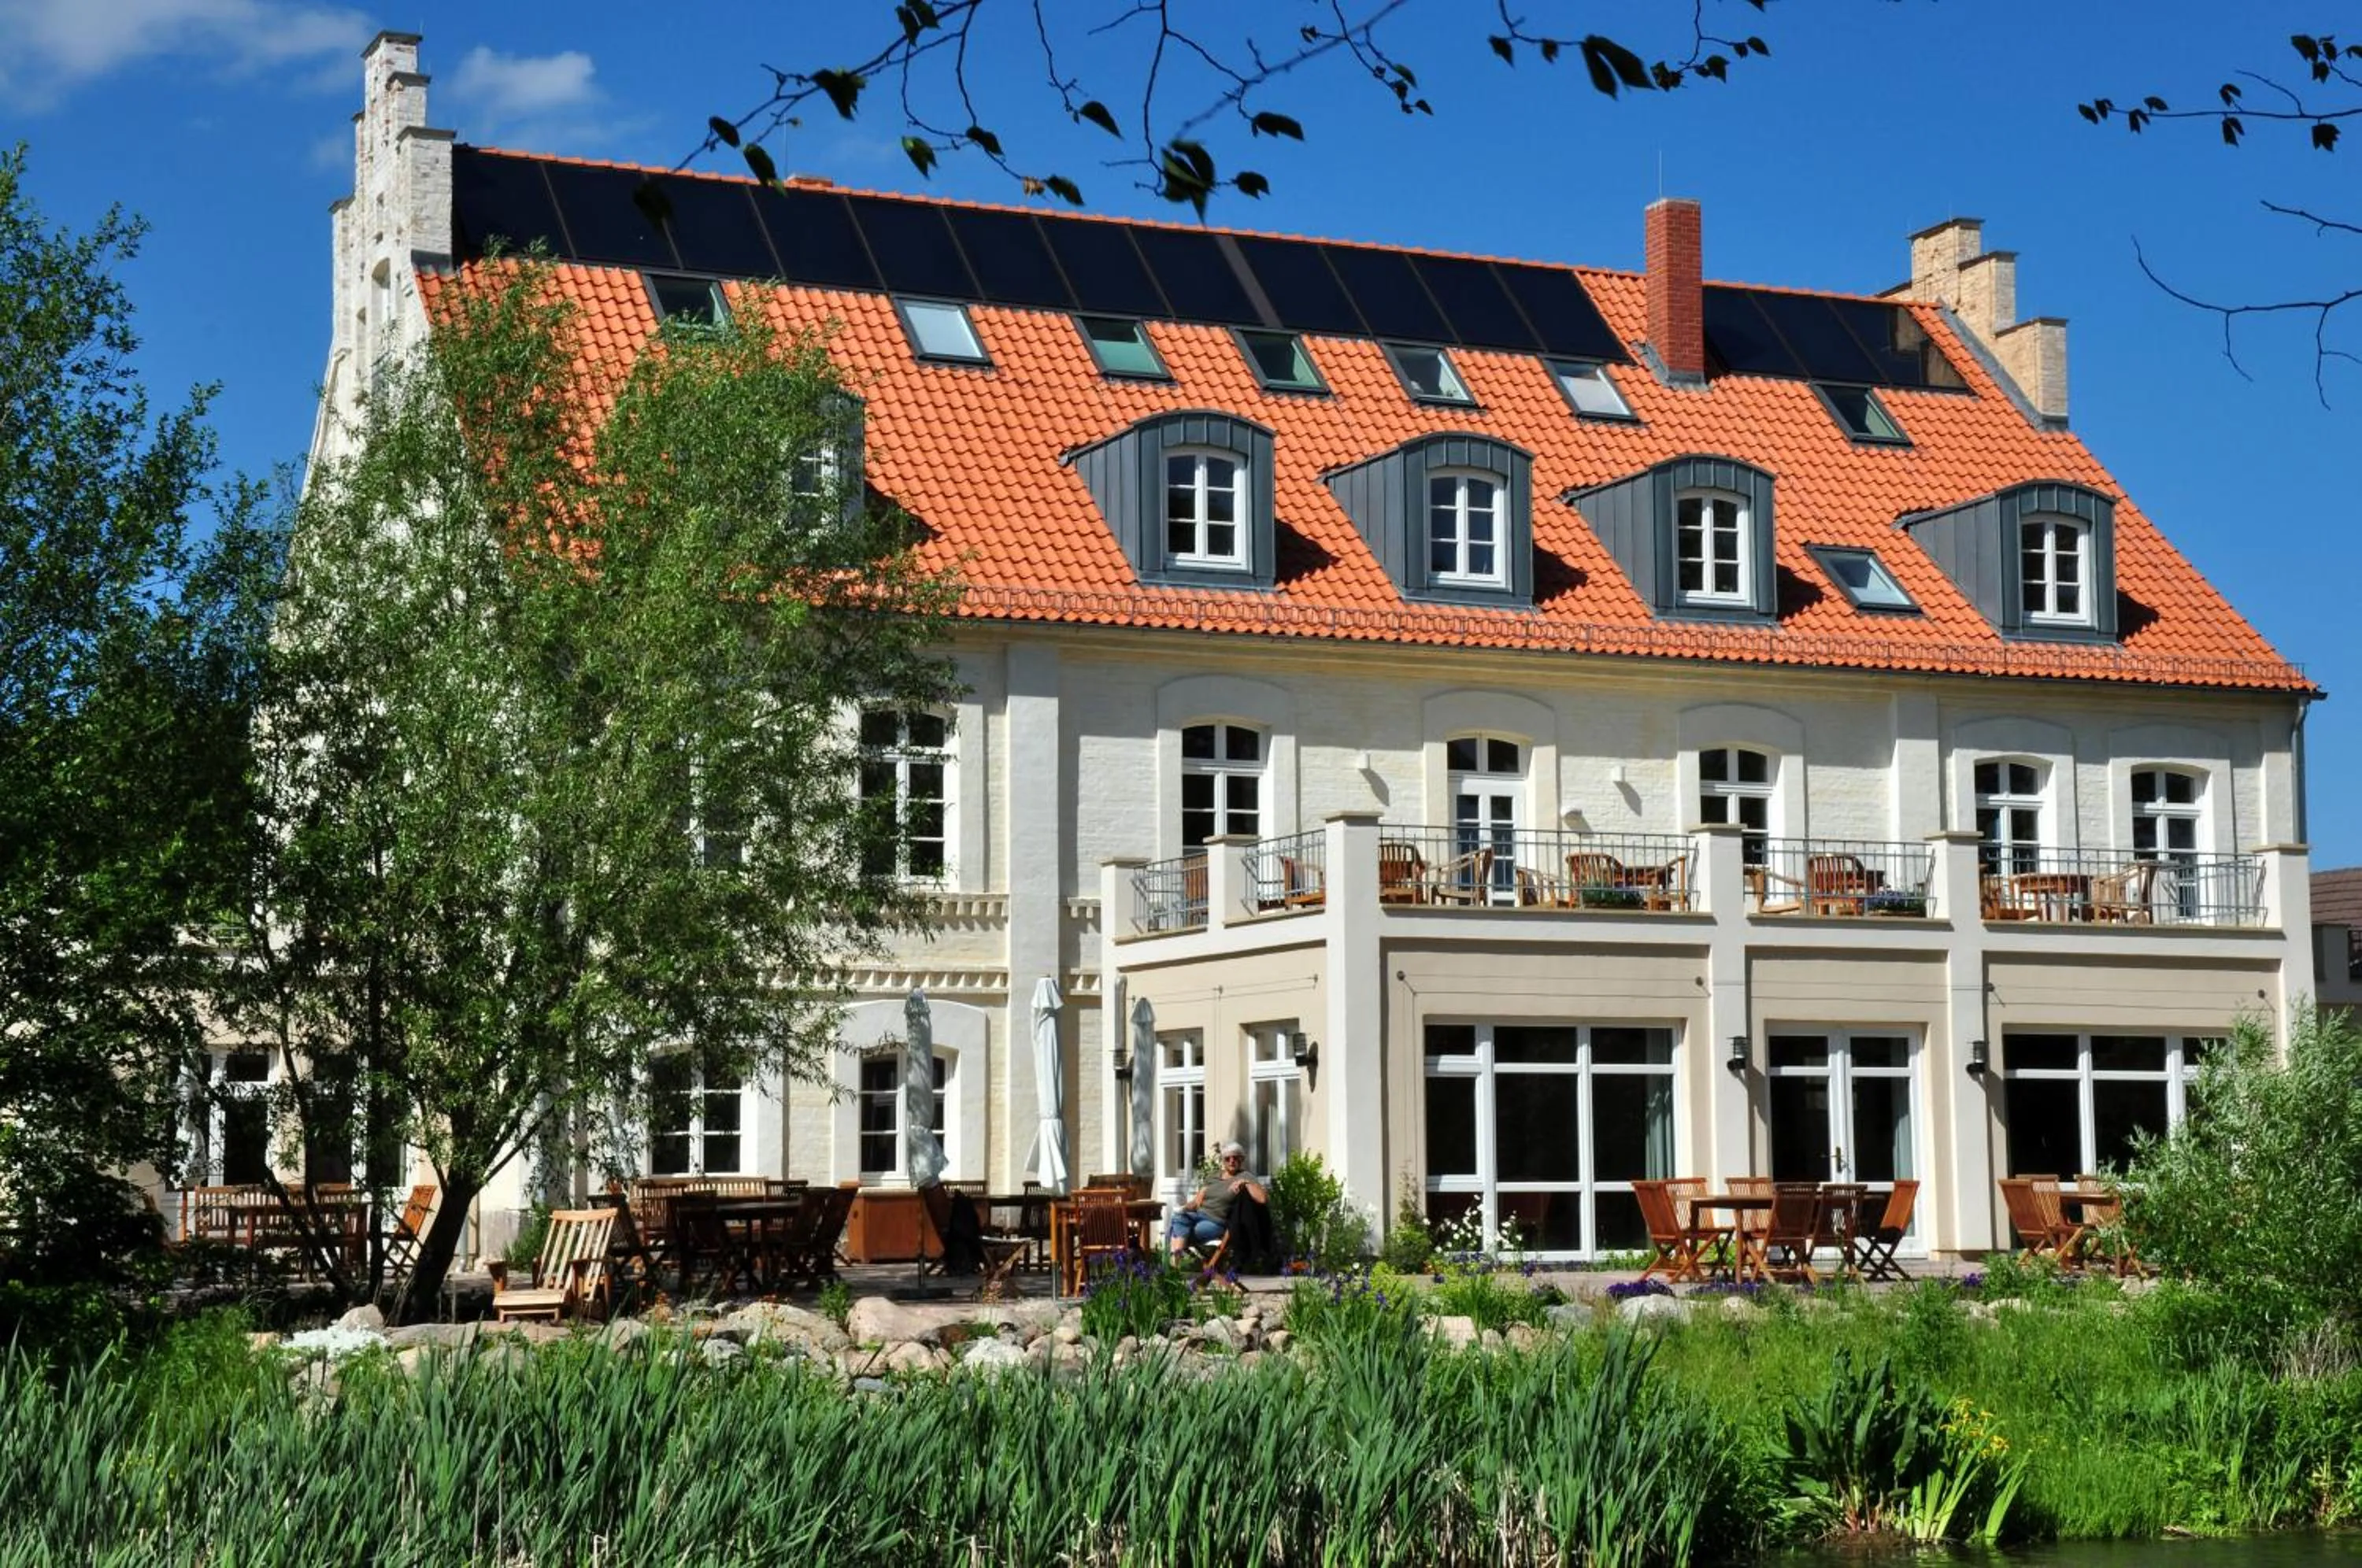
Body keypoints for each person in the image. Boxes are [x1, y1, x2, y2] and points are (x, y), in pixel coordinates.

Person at [1166, 1142, 1265, 1257]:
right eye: (1228, 1158)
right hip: (1198, 1215)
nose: (1232, 1161)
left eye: (1235, 1158)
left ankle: (1174, 1267)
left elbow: (1262, 1199)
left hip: (1216, 1222)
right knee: (1177, 1217)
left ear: (1241, 1159)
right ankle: (1176, 1262)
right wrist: (1183, 1208)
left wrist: (1246, 1183)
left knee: (1176, 1231)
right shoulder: (1213, 1177)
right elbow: (1196, 1203)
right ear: (1223, 1161)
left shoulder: (1245, 1176)